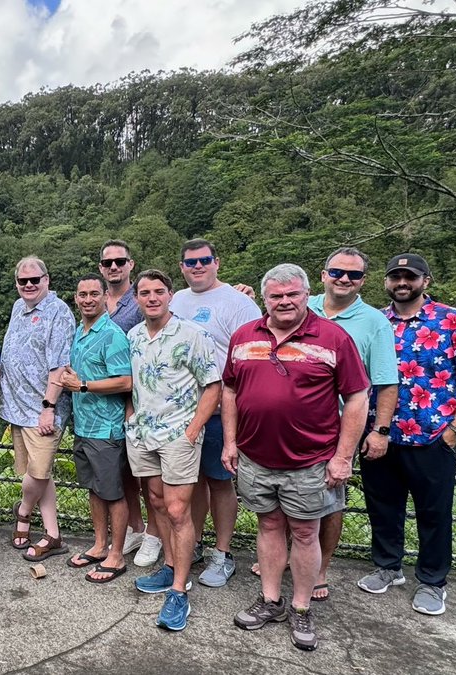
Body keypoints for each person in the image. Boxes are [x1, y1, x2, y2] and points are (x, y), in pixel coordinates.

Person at [223, 264, 369, 652]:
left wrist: (343, 456)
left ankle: (301, 607)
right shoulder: (243, 336)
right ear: (264, 298)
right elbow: (229, 391)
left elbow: (356, 397)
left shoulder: (333, 337)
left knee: (305, 532)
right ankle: (271, 600)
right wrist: (230, 442)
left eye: (292, 295)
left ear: (307, 295)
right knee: (268, 526)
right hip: (255, 457)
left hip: (310, 460)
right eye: (276, 296)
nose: (284, 302)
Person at [356, 253, 456, 616]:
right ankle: (388, 567)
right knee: (382, 505)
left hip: (433, 434)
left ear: (426, 280)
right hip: (380, 433)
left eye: (410, 276)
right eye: (396, 277)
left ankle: (432, 580)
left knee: (435, 512)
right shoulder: (377, 322)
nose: (402, 283)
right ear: (386, 282)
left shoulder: (454, 321)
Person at [299, 247, 398, 599]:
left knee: (329, 500)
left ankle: (321, 568)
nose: (344, 279)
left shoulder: (374, 322)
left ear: (363, 281)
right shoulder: (299, 303)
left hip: (338, 427)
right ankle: (287, 558)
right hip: (289, 425)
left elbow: (386, 381)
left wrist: (380, 429)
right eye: (337, 271)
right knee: (283, 496)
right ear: (323, 274)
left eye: (353, 275)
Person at [126, 269, 221, 631]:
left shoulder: (192, 334)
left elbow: (212, 385)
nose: (152, 298)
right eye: (145, 292)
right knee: (157, 502)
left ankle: (180, 590)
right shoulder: (134, 336)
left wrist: (192, 432)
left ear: (170, 295)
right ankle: (168, 567)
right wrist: (132, 418)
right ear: (137, 298)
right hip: (143, 434)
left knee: (179, 510)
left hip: (179, 436)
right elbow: (133, 384)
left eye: (159, 292)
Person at [169, 238, 261, 588]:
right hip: (181, 410)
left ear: (217, 262)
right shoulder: (176, 300)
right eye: (190, 262)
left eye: (204, 260)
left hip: (223, 409)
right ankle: (191, 544)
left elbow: (254, 354)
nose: (198, 267)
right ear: (182, 267)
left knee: (220, 482)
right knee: (189, 483)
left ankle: (222, 554)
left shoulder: (238, 303)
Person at [54, 274, 133, 582]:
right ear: (76, 298)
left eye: (93, 294)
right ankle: (100, 545)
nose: (87, 299)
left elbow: (125, 381)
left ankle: (116, 554)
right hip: (83, 426)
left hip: (106, 428)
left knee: (113, 492)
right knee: (94, 489)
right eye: (82, 294)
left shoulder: (112, 335)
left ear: (104, 298)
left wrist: (83, 385)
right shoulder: (79, 331)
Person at [0, 256, 76, 563]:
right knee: (38, 475)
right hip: (18, 407)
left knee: (38, 471)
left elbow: (60, 364)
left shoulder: (58, 312)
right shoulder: (19, 308)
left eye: (34, 280)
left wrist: (49, 406)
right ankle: (53, 534)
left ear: (47, 280)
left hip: (43, 409)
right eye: (23, 281)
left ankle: (23, 511)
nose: (28, 285)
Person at [99, 239, 154, 564]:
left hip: (142, 402)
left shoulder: (142, 300)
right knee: (122, 475)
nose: (114, 267)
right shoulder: (96, 300)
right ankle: (135, 527)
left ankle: (154, 535)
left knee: (149, 477)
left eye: (120, 261)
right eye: (108, 262)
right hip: (105, 406)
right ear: (101, 268)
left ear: (130, 264)